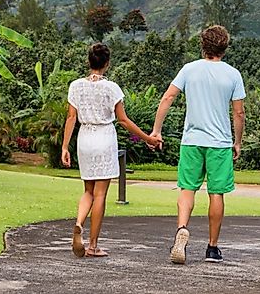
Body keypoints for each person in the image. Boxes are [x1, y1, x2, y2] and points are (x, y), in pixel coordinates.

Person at [151, 25, 246, 264]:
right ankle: (212, 248)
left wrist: (156, 130)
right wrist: (237, 142)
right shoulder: (233, 74)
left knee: (187, 188)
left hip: (192, 141)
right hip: (220, 143)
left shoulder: (189, 69)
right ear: (225, 47)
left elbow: (168, 97)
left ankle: (182, 228)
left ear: (203, 46)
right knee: (217, 193)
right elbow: (239, 113)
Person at [62, 42, 161, 258]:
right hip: (104, 138)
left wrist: (64, 147)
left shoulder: (75, 86)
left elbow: (71, 118)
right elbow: (123, 120)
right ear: (107, 63)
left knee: (88, 191)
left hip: (85, 138)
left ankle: (79, 223)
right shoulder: (111, 88)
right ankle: (93, 245)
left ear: (89, 62)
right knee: (101, 195)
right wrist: (147, 138)